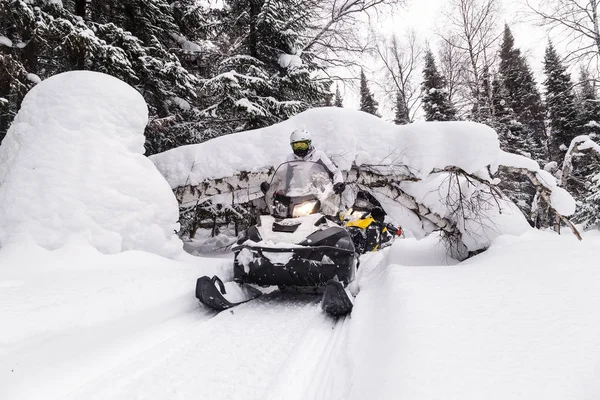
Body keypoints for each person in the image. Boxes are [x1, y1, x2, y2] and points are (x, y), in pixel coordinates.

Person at [261, 128, 347, 196]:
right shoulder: (290, 158)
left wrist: (338, 182)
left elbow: (335, 171)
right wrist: (269, 185)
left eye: (302, 145)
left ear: (309, 143)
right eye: (296, 145)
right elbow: (280, 176)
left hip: (319, 194)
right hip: (296, 195)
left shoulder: (319, 156)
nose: (299, 149)